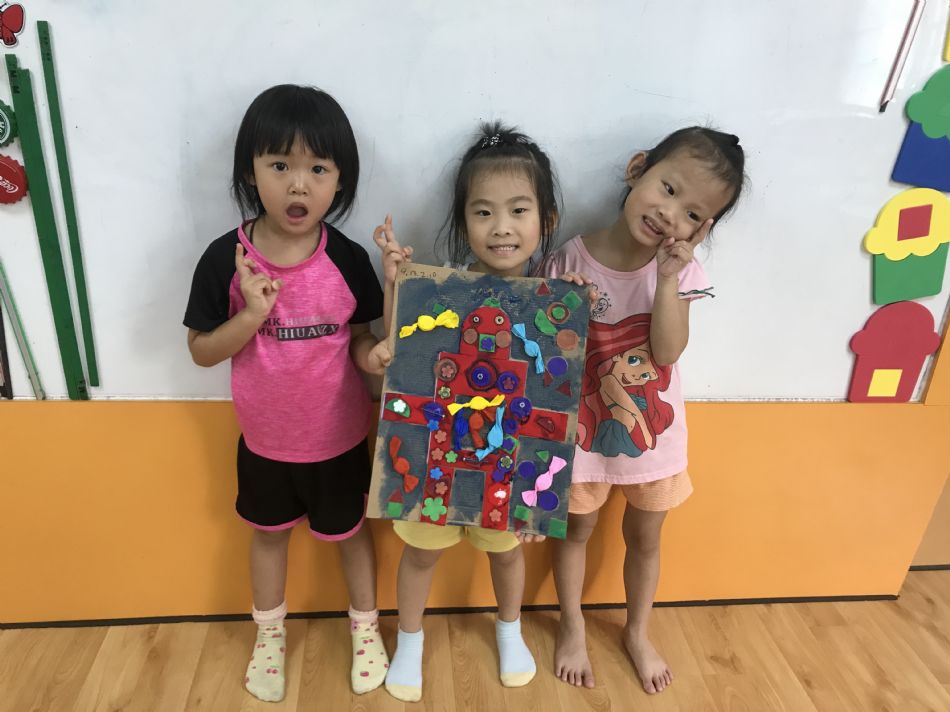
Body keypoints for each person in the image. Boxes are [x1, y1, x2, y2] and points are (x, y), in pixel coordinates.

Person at [183, 84, 390, 701]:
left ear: (340, 180)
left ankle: (366, 629)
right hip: (265, 443)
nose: (298, 185)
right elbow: (201, 350)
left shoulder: (348, 258)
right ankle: (269, 637)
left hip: (340, 439)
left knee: (350, 535)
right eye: (280, 165)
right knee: (268, 535)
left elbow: (360, 340)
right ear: (251, 171)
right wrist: (251, 315)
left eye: (318, 169)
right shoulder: (226, 259)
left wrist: (375, 357)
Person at [545, 127, 746, 693]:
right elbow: (550, 356)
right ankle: (572, 625)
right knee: (576, 530)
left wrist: (668, 277)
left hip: (652, 438)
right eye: (669, 188)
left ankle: (637, 631)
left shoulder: (680, 273)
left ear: (702, 230)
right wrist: (567, 309)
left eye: (692, 214)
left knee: (647, 537)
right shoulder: (569, 257)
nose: (669, 214)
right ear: (638, 168)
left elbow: (666, 352)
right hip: (583, 433)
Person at [368, 121, 560, 702]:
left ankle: (509, 631)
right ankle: (410, 641)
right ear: (463, 222)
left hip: (504, 463)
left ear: (546, 220)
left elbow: (552, 400)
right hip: (436, 456)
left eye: (518, 210)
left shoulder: (556, 301)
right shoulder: (440, 292)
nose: (501, 227)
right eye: (483, 212)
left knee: (506, 555)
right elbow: (403, 350)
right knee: (421, 550)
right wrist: (396, 285)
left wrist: (536, 495)